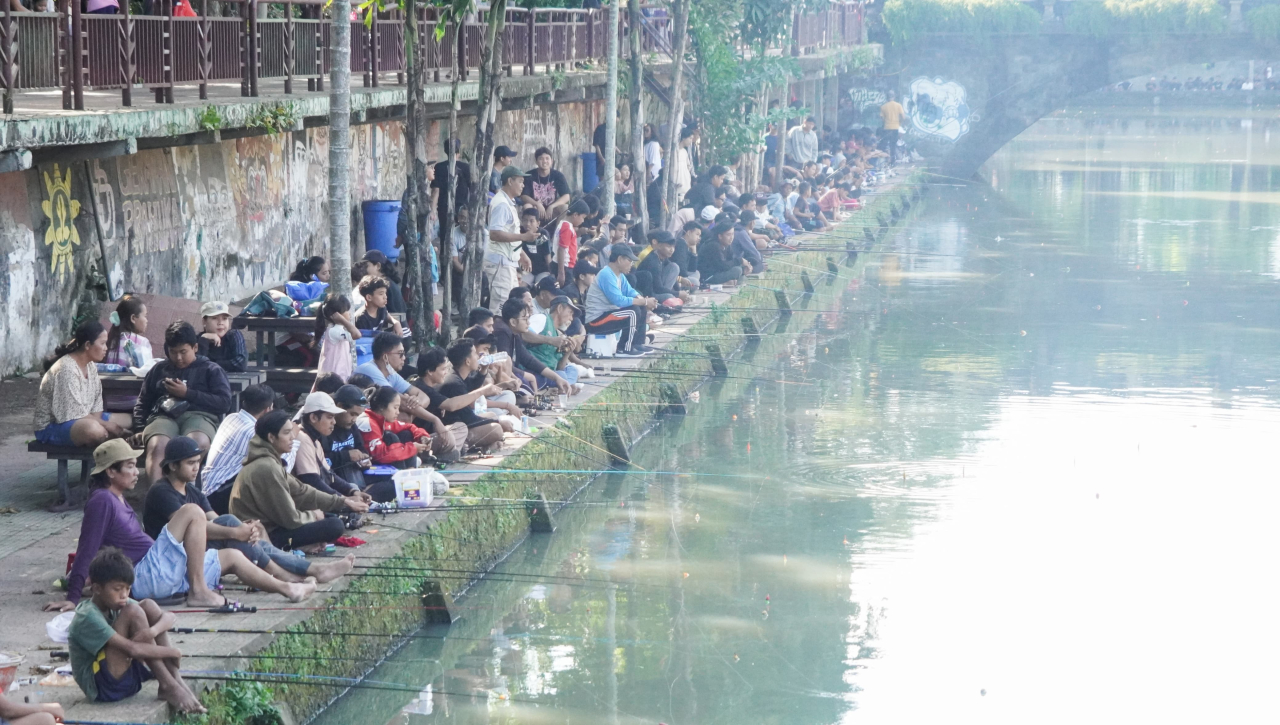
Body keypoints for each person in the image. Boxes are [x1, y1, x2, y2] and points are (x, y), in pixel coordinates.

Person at [46, 439, 315, 614]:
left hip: (162, 569)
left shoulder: (116, 496)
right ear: (110, 472)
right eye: (129, 466)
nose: (137, 471)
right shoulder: (102, 500)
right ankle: (199, 591)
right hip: (143, 576)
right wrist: (73, 595)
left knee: (232, 556)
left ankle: (289, 589)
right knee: (191, 512)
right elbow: (87, 548)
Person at [145, 436, 349, 583]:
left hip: (195, 547)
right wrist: (235, 531)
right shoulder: (162, 492)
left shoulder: (192, 490)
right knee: (234, 528)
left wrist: (244, 529)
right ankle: (289, 573)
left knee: (240, 527)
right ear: (172, 466)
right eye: (190, 463)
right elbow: (194, 528)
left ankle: (300, 571)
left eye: (198, 462)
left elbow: (215, 519)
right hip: (171, 555)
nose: (196, 468)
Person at [66, 549, 205, 713]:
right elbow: (133, 649)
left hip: (127, 677)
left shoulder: (117, 602)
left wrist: (152, 632)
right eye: (117, 589)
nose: (124, 595)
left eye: (127, 589)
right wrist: (171, 652)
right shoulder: (87, 615)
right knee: (134, 611)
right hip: (102, 687)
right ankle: (169, 684)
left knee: (148, 606)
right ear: (96, 588)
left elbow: (169, 617)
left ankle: (174, 680)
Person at [230, 411, 369, 550]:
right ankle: (295, 546)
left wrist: (343, 501)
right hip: (261, 535)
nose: (292, 437)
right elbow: (291, 519)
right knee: (334, 525)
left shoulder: (270, 461)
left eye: (292, 432)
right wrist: (313, 515)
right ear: (271, 437)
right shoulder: (266, 467)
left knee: (330, 516)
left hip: (274, 526)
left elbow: (302, 491)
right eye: (286, 433)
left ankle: (303, 545)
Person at [134, 322, 231, 484]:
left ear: (195, 348)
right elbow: (143, 401)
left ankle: (186, 491)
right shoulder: (159, 369)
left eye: (183, 352)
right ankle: (157, 495)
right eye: (173, 352)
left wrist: (188, 394)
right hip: (163, 417)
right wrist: (139, 428)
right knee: (157, 446)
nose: (178, 358)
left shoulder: (210, 369)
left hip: (200, 417)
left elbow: (224, 403)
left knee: (196, 443)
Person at [35, 321, 131, 448]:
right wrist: (106, 425)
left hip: (84, 418)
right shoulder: (66, 369)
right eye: (102, 343)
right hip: (54, 426)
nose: (105, 348)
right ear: (87, 345)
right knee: (94, 431)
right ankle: (115, 448)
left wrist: (103, 424)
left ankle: (112, 440)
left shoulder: (91, 366)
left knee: (130, 420)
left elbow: (97, 406)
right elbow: (73, 414)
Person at [201, 384, 291, 515]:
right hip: (219, 496)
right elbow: (282, 466)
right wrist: (296, 438)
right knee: (267, 472)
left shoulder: (231, 417)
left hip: (211, 492)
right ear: (268, 409)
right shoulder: (251, 432)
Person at [415, 345, 507, 449]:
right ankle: (462, 447)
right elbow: (452, 405)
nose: (446, 372)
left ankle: (469, 446)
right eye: (443, 369)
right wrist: (484, 391)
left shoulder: (434, 383)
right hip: (427, 438)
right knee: (493, 428)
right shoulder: (427, 387)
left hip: (447, 427)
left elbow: (471, 388)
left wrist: (483, 372)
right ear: (430, 371)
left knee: (490, 416)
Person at [294, 392, 380, 496]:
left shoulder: (314, 439)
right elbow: (312, 481)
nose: (334, 422)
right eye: (330, 417)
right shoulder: (302, 438)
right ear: (313, 418)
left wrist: (352, 491)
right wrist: (344, 500)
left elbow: (330, 475)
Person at [585, 247, 657, 357]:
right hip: (596, 321)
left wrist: (643, 300)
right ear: (619, 259)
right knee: (633, 311)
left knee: (640, 306)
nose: (631, 264)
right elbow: (618, 301)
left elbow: (629, 291)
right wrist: (644, 301)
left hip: (608, 316)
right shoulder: (606, 274)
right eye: (630, 261)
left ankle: (637, 343)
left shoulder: (619, 275)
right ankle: (624, 349)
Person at [492, 299, 572, 392]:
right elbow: (505, 366)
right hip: (507, 376)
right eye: (525, 319)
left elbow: (528, 360)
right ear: (513, 322)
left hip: (517, 373)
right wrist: (527, 375)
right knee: (525, 382)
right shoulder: (502, 333)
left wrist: (556, 378)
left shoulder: (515, 333)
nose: (528, 323)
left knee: (560, 376)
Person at [485, 166, 536, 312]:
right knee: (500, 308)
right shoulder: (501, 204)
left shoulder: (508, 202)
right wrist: (524, 237)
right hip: (500, 264)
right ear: (510, 181)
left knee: (512, 305)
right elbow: (494, 233)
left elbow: (508, 233)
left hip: (508, 263)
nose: (523, 185)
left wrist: (522, 254)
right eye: (520, 181)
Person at [354, 332, 434, 421]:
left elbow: (425, 397)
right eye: (400, 354)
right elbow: (402, 403)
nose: (404, 358)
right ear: (385, 357)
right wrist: (435, 420)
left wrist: (415, 402)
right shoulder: (369, 370)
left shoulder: (390, 373)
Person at [357, 386, 435, 468]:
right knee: (391, 437)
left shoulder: (383, 420)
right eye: (395, 408)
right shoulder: (368, 423)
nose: (397, 412)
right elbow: (381, 454)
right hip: (370, 466)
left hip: (381, 459)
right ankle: (403, 473)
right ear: (381, 407)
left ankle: (410, 470)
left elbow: (409, 427)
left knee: (406, 433)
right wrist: (412, 448)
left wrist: (422, 436)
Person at [327, 385, 376, 486]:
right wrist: (347, 455)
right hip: (333, 478)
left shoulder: (351, 425)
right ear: (339, 406)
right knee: (347, 464)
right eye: (352, 414)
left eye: (357, 415)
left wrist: (364, 458)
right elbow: (321, 460)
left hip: (357, 474)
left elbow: (360, 446)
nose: (354, 419)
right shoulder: (326, 427)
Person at [527, 295, 587, 376]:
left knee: (571, 370)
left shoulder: (558, 333)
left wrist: (568, 352)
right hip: (533, 372)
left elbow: (559, 369)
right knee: (563, 376)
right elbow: (524, 334)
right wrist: (550, 340)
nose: (571, 318)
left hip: (550, 374)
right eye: (570, 313)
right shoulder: (541, 318)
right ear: (560, 308)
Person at [431, 140, 472, 242]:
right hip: (462, 209)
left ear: (445, 150)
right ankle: (458, 257)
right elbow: (472, 190)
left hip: (444, 207)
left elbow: (436, 191)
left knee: (445, 236)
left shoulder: (439, 167)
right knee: (462, 236)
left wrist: (432, 210)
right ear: (459, 151)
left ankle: (444, 256)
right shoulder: (466, 167)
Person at [314, 293, 361, 382]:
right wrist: (343, 320)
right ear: (337, 315)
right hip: (335, 375)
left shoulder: (337, 329)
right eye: (346, 310)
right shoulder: (334, 331)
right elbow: (357, 335)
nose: (349, 313)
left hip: (339, 373)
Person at [520, 147, 571, 222]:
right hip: (536, 209)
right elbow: (523, 196)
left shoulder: (558, 175)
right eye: (541, 159)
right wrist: (537, 204)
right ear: (536, 161)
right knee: (527, 206)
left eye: (547, 158)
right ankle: (531, 232)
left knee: (565, 207)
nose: (544, 161)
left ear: (552, 161)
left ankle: (558, 232)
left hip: (552, 210)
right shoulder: (529, 175)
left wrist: (552, 206)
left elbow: (567, 196)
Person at [636, 231, 688, 304]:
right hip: (649, 295)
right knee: (669, 296)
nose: (672, 250)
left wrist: (679, 291)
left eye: (673, 247)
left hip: (660, 290)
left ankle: (672, 298)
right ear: (659, 246)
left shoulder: (663, 257)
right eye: (669, 246)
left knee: (674, 266)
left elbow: (673, 274)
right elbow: (658, 289)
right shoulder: (652, 261)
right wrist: (677, 294)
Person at [197, 301, 247, 374]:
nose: (220, 322)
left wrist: (210, 365)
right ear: (204, 321)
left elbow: (241, 364)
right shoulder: (198, 340)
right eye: (214, 318)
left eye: (224, 318)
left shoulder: (234, 335)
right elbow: (198, 366)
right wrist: (204, 340)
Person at [103, 296, 152, 369]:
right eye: (145, 316)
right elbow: (148, 372)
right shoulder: (142, 343)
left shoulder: (108, 340)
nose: (146, 320)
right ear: (133, 318)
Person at [553, 199, 589, 287]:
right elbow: (561, 249)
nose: (583, 221)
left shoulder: (563, 224)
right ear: (575, 215)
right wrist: (561, 273)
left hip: (564, 265)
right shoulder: (567, 227)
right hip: (564, 266)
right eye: (583, 217)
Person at [698, 222, 746, 286]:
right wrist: (740, 261)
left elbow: (730, 261)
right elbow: (723, 266)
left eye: (732, 234)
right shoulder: (713, 245)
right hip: (709, 276)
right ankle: (723, 284)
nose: (731, 237)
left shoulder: (726, 244)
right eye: (728, 235)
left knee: (740, 269)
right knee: (737, 270)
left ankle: (732, 283)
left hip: (719, 272)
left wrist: (744, 267)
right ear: (720, 236)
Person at [880, 91, 907, 164]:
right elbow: (903, 117)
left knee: (886, 144)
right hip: (895, 127)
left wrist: (886, 123)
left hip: (886, 127)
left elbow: (882, 119)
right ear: (894, 97)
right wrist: (899, 123)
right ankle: (893, 161)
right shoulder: (898, 105)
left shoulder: (883, 107)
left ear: (887, 97)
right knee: (893, 144)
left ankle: (885, 160)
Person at [674, 221, 702, 289]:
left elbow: (692, 269)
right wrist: (688, 279)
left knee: (696, 273)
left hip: (684, 275)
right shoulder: (681, 244)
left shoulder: (686, 245)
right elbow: (682, 271)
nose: (699, 238)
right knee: (695, 282)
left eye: (699, 235)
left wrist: (694, 252)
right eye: (697, 234)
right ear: (689, 233)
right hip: (677, 278)